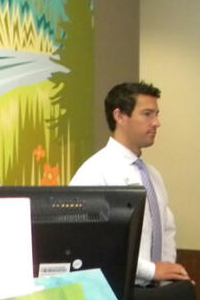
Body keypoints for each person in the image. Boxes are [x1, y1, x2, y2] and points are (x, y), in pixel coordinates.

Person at [70, 81, 189, 285]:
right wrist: (151, 271)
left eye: (156, 114)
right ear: (120, 116)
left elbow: (167, 229)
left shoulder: (152, 175)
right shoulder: (95, 172)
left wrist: (168, 274)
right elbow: (90, 243)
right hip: (116, 292)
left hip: (156, 292)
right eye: (147, 114)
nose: (156, 123)